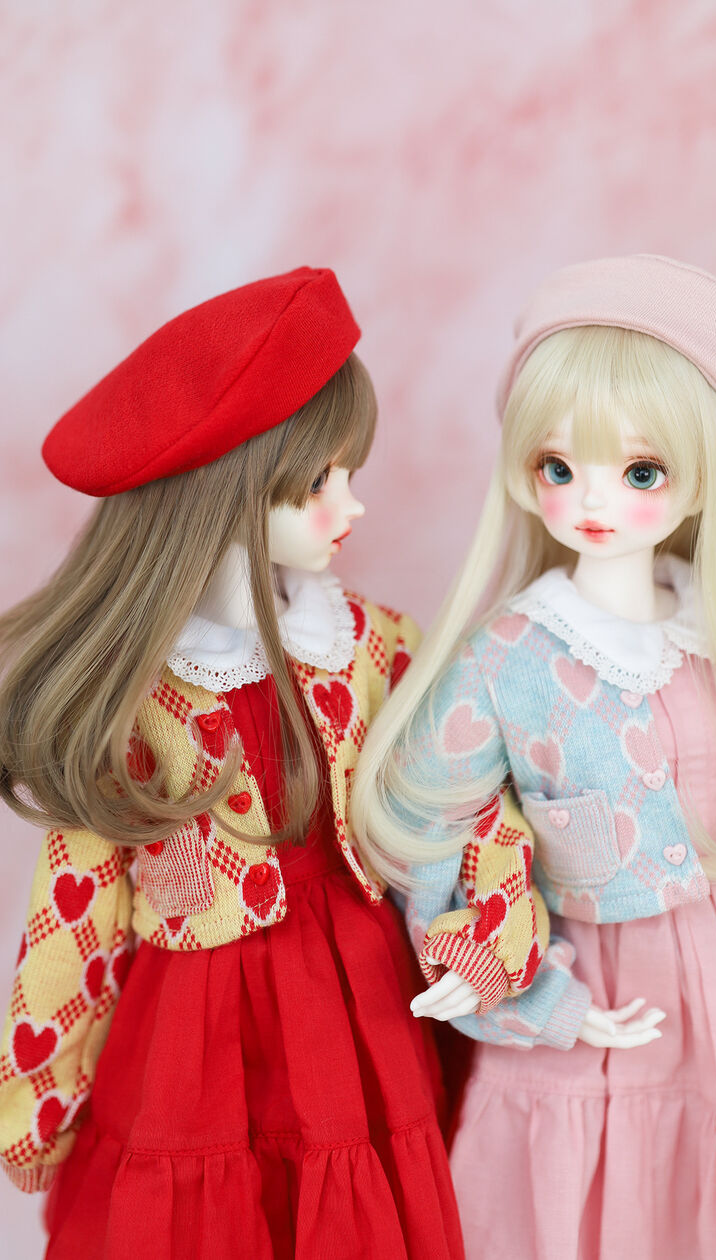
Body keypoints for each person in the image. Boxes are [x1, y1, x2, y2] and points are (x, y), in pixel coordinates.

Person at [352, 256, 716, 1259]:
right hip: (602, 997)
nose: (592, 501)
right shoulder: (510, 658)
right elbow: (431, 829)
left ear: (704, 476)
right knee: (607, 1204)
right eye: (559, 467)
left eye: (641, 472)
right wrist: (524, 991)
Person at [0, 268, 472, 1259]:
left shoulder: (371, 646)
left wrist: (489, 931)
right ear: (225, 494)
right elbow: (78, 908)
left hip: (362, 1013)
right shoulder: (136, 700)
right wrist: (39, 1096)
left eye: (349, 474)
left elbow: (458, 800)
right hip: (195, 1042)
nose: (353, 505)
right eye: (319, 482)